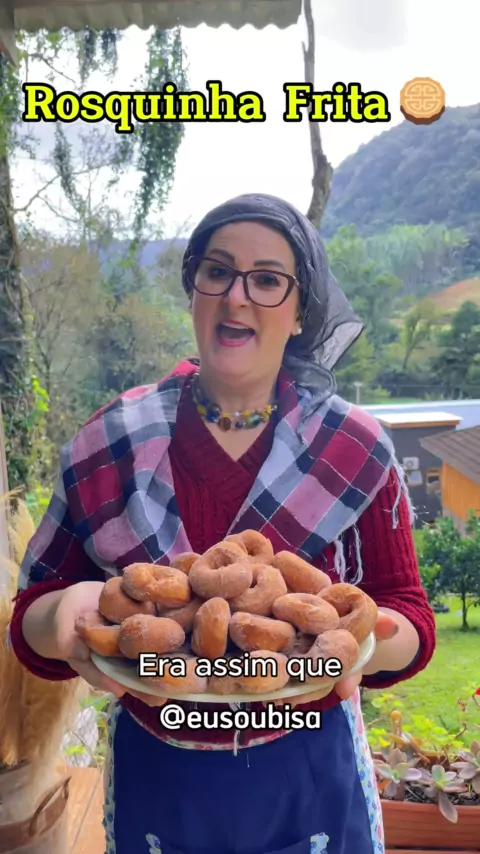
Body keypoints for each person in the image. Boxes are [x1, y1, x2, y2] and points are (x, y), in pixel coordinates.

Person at [9, 194, 436, 854]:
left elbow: (409, 613)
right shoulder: (110, 440)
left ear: (301, 311)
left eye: (267, 280)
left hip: (310, 772)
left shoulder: (353, 448)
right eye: (218, 271)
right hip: (161, 774)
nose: (237, 297)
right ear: (194, 290)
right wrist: (61, 614)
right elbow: (32, 614)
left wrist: (366, 642)